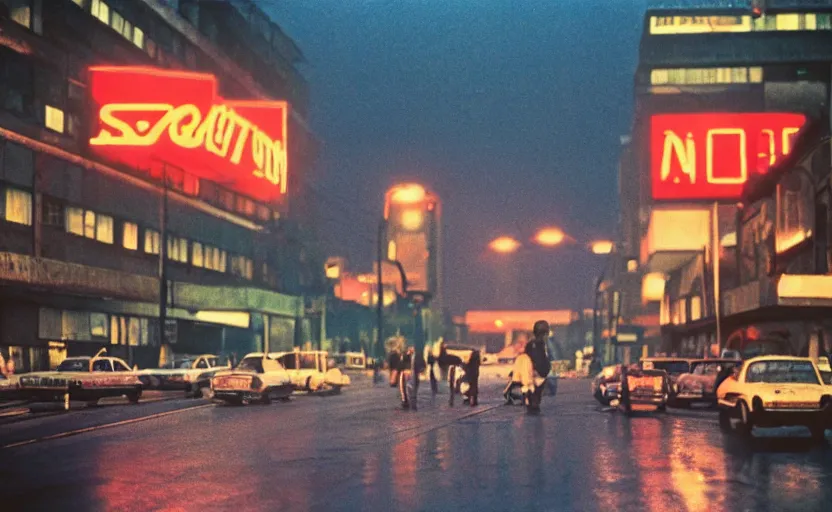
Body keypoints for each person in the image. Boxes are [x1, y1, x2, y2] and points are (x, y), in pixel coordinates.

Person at [524, 320, 551, 413]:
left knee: (535, 388)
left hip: (534, 370)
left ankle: (533, 402)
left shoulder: (531, 344)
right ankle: (534, 403)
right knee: (536, 389)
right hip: (538, 370)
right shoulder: (542, 344)